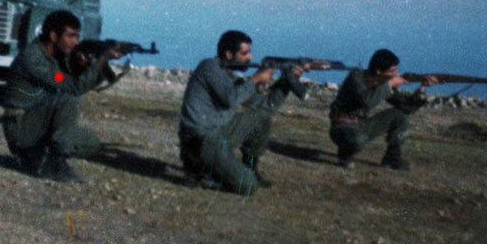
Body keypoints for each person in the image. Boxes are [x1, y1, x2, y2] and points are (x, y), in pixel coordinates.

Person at [178, 30, 312, 195]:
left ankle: (250, 167)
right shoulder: (209, 67)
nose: (250, 57)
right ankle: (202, 175)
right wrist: (255, 79)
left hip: (217, 134)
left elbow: (265, 104)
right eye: (244, 53)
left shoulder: (229, 76)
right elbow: (230, 98)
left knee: (261, 117)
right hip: (200, 142)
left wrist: (285, 82)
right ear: (229, 54)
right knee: (248, 186)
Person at [0, 9, 121, 182]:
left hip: (38, 122)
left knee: (91, 143)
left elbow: (65, 78)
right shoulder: (33, 58)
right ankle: (54, 163)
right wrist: (101, 61)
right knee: (68, 98)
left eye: (77, 37)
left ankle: (38, 156)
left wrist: (83, 65)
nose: (75, 42)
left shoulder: (53, 57)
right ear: (53, 36)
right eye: (70, 36)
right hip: (21, 127)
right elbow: (69, 85)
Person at [329, 48, 437, 170]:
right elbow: (367, 101)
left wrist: (422, 88)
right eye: (392, 71)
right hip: (342, 127)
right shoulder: (356, 76)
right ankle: (344, 155)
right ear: (379, 71)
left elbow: (407, 107)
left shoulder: (381, 83)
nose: (395, 74)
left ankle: (392, 159)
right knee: (358, 139)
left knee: (400, 116)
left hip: (362, 126)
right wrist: (389, 85)